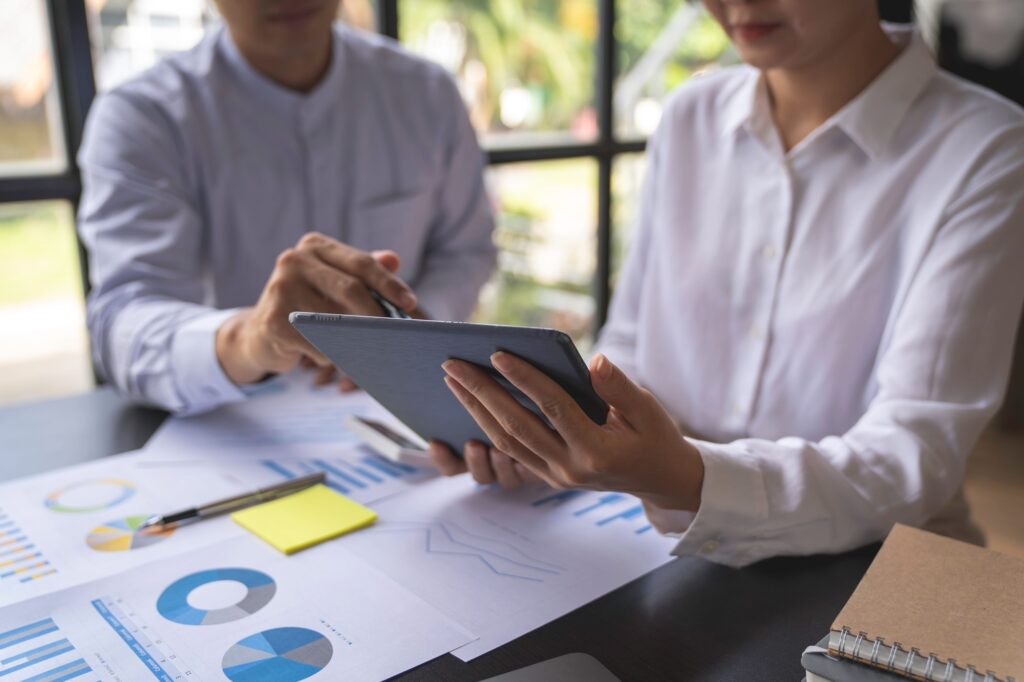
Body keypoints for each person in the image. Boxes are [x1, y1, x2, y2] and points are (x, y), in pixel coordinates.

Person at [429, 0, 1024, 566]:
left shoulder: (987, 150)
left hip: (882, 568)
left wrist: (687, 477)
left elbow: (910, 456)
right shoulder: (691, 115)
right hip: (665, 543)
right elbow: (634, 343)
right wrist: (556, 435)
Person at [78, 0, 496, 415]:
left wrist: (408, 334)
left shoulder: (426, 92)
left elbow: (466, 249)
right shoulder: (144, 117)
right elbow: (123, 325)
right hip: (228, 426)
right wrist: (250, 339)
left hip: (406, 410)